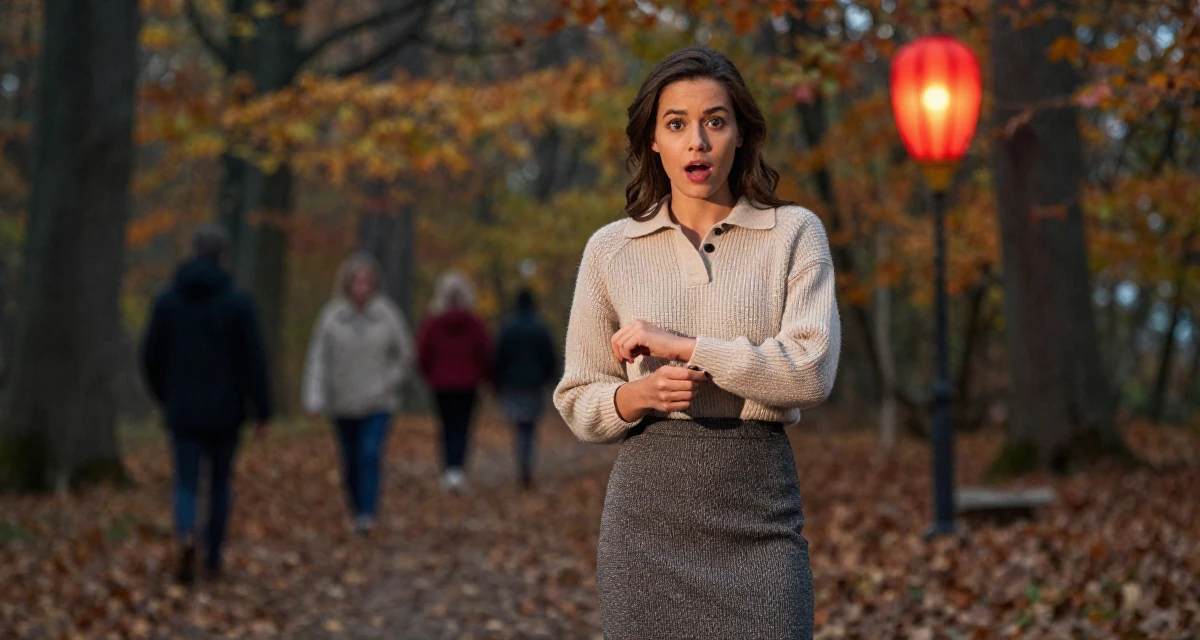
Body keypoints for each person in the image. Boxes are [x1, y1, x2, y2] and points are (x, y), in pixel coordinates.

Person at [552, 47, 841, 639]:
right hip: (645, 527)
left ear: (742, 134)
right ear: (653, 141)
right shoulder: (611, 250)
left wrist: (686, 347)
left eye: (715, 121)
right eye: (676, 124)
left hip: (760, 516)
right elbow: (578, 395)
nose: (698, 142)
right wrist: (638, 398)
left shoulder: (794, 233)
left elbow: (810, 372)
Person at [141, 224, 272, 585]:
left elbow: (150, 355)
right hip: (227, 410)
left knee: (185, 481)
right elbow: (254, 360)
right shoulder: (238, 302)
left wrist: (164, 395)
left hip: (182, 407)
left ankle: (185, 532)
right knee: (219, 483)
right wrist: (262, 410)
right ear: (224, 256)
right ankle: (212, 556)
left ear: (193, 250)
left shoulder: (168, 301)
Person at [301, 252, 415, 536]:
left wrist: (389, 383)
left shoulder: (387, 315)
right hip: (343, 402)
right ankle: (355, 508)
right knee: (350, 460)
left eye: (367, 281)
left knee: (369, 453)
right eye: (356, 281)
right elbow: (319, 358)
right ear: (347, 283)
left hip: (378, 401)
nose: (361, 286)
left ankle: (367, 513)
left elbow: (404, 355)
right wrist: (314, 397)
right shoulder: (331, 317)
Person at [416, 271, 491, 493]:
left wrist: (430, 376)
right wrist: (482, 377)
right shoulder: (475, 323)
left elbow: (422, 354)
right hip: (468, 384)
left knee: (446, 427)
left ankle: (449, 469)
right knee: (463, 427)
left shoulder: (432, 323)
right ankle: (458, 469)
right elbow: (485, 353)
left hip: (441, 385)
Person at [493, 288, 559, 490]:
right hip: (534, 385)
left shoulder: (507, 327)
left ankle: (522, 464)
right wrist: (551, 381)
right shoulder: (541, 328)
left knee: (518, 427)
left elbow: (498, 357)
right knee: (529, 427)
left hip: (513, 385)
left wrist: (496, 383)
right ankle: (526, 465)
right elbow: (550, 358)